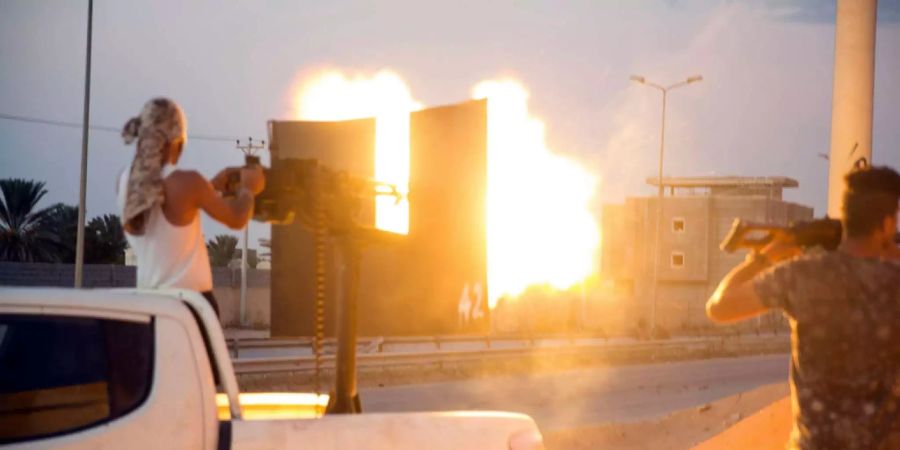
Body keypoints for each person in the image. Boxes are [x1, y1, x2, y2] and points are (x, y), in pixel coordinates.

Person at [706, 166, 900, 450]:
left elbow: (719, 307)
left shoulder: (800, 275)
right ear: (885, 225)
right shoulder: (893, 285)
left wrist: (766, 257)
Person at [116, 98, 264, 317]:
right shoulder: (188, 182)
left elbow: (175, 211)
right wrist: (248, 188)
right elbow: (236, 217)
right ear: (177, 142)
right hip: (191, 307)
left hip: (149, 306)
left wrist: (210, 187)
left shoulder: (126, 182)